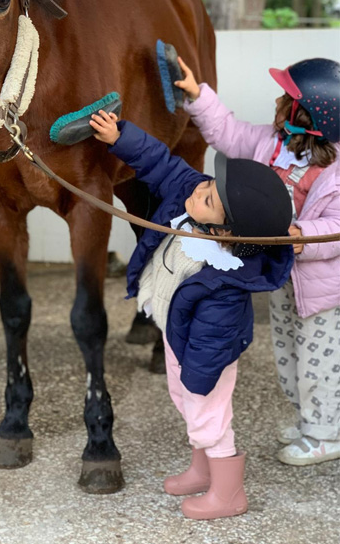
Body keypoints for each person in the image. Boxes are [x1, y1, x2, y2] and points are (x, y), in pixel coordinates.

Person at [90, 110, 293, 520]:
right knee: (185, 402)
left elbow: (213, 339)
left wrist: (198, 378)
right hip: (174, 330)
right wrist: (120, 136)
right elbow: (162, 163)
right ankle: (203, 471)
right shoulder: (192, 195)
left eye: (210, 200)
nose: (201, 190)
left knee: (208, 412)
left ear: (226, 233)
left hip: (205, 357)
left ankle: (228, 493)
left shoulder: (224, 281)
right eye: (210, 185)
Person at [174, 56, 340, 466]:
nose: (280, 101)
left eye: (289, 98)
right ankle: (311, 420)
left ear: (311, 115)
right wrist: (198, 96)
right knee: (287, 354)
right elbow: (228, 133)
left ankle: (325, 432)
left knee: (319, 362)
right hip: (282, 277)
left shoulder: (335, 172)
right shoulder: (272, 142)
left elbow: (337, 225)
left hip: (320, 287)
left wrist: (306, 237)